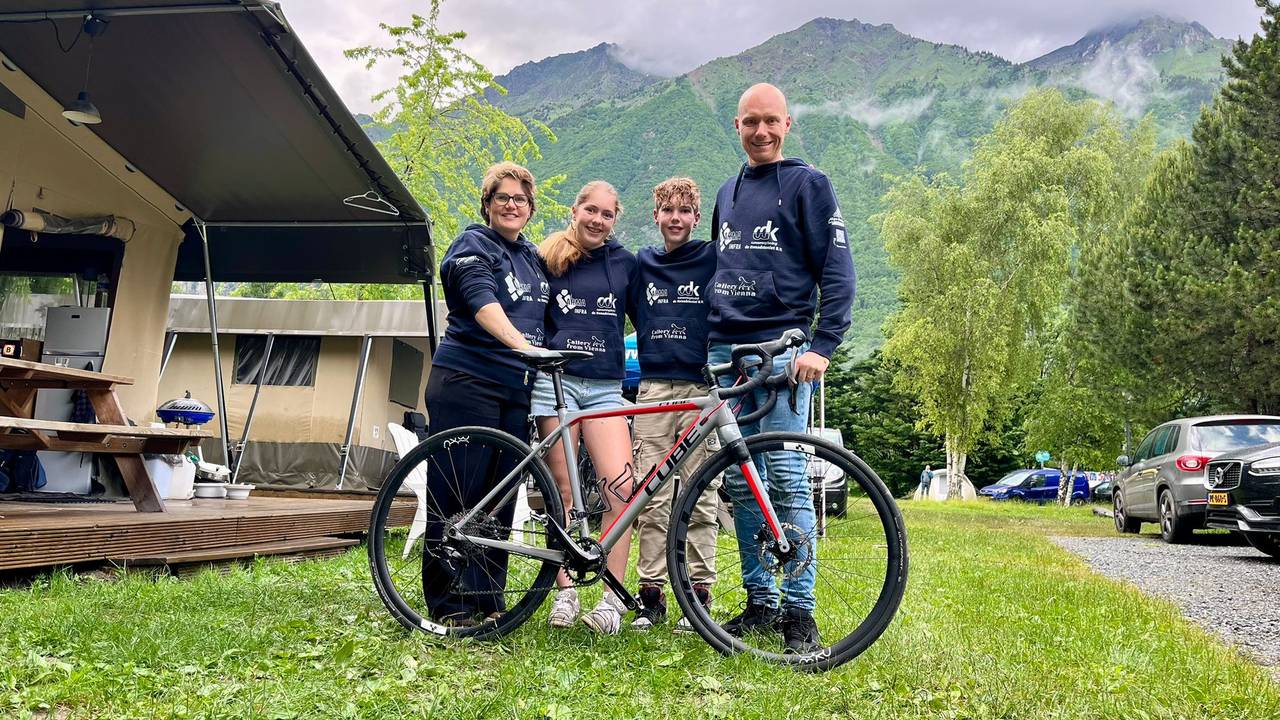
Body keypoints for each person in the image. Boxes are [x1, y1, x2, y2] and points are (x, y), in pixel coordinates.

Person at [707, 83, 855, 654]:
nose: (761, 132)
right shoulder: (727, 191)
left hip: (784, 353)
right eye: (751, 122)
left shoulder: (809, 184)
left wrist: (824, 344)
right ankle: (760, 602)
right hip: (727, 355)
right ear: (737, 125)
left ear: (787, 123)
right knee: (744, 486)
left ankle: (800, 613)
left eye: (771, 121)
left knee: (790, 482)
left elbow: (838, 270)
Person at [422, 161, 548, 626]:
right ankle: (450, 605)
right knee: (458, 492)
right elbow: (480, 300)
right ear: (487, 205)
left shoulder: (532, 257)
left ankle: (487, 599)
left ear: (531, 209)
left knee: (499, 499)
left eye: (520, 199)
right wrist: (522, 345)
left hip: (516, 389)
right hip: (467, 381)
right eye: (503, 198)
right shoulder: (473, 244)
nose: (511, 205)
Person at [534, 181, 639, 634]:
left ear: (615, 220)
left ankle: (611, 600)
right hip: (554, 384)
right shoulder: (546, 258)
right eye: (590, 210)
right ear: (574, 210)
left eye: (607, 214)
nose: (597, 220)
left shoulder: (626, 264)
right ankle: (565, 593)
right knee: (562, 493)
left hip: (604, 388)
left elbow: (655, 315)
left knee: (621, 491)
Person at [627, 177, 721, 632]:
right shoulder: (641, 265)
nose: (676, 218)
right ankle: (651, 596)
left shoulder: (711, 257)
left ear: (696, 217)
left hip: (700, 388)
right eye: (668, 211)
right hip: (653, 390)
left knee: (700, 493)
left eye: (685, 211)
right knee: (653, 495)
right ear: (657, 216)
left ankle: (698, 594)